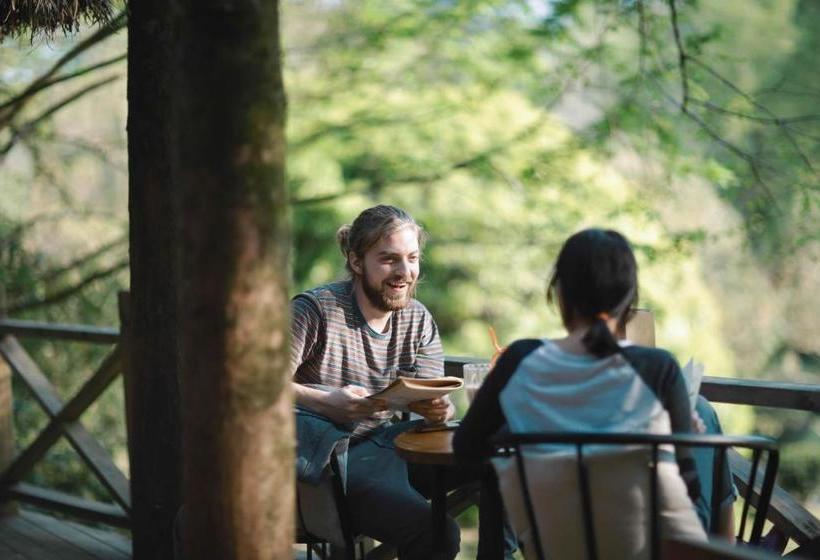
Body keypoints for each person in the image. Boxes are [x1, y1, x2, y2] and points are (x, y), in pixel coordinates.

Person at [453, 228, 714, 555]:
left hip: (554, 548)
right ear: (629, 299)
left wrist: (522, 445)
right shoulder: (657, 368)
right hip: (641, 550)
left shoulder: (519, 360)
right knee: (704, 429)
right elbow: (687, 492)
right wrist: (678, 435)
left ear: (559, 293)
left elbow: (466, 449)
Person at [290, 205, 462, 559]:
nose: (405, 272)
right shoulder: (314, 310)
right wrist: (324, 402)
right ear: (356, 262)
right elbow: (255, 388)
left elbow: (430, 397)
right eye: (389, 259)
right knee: (438, 532)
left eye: (412, 258)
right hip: (333, 461)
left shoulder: (417, 317)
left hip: (395, 445)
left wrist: (438, 408)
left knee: (501, 465)